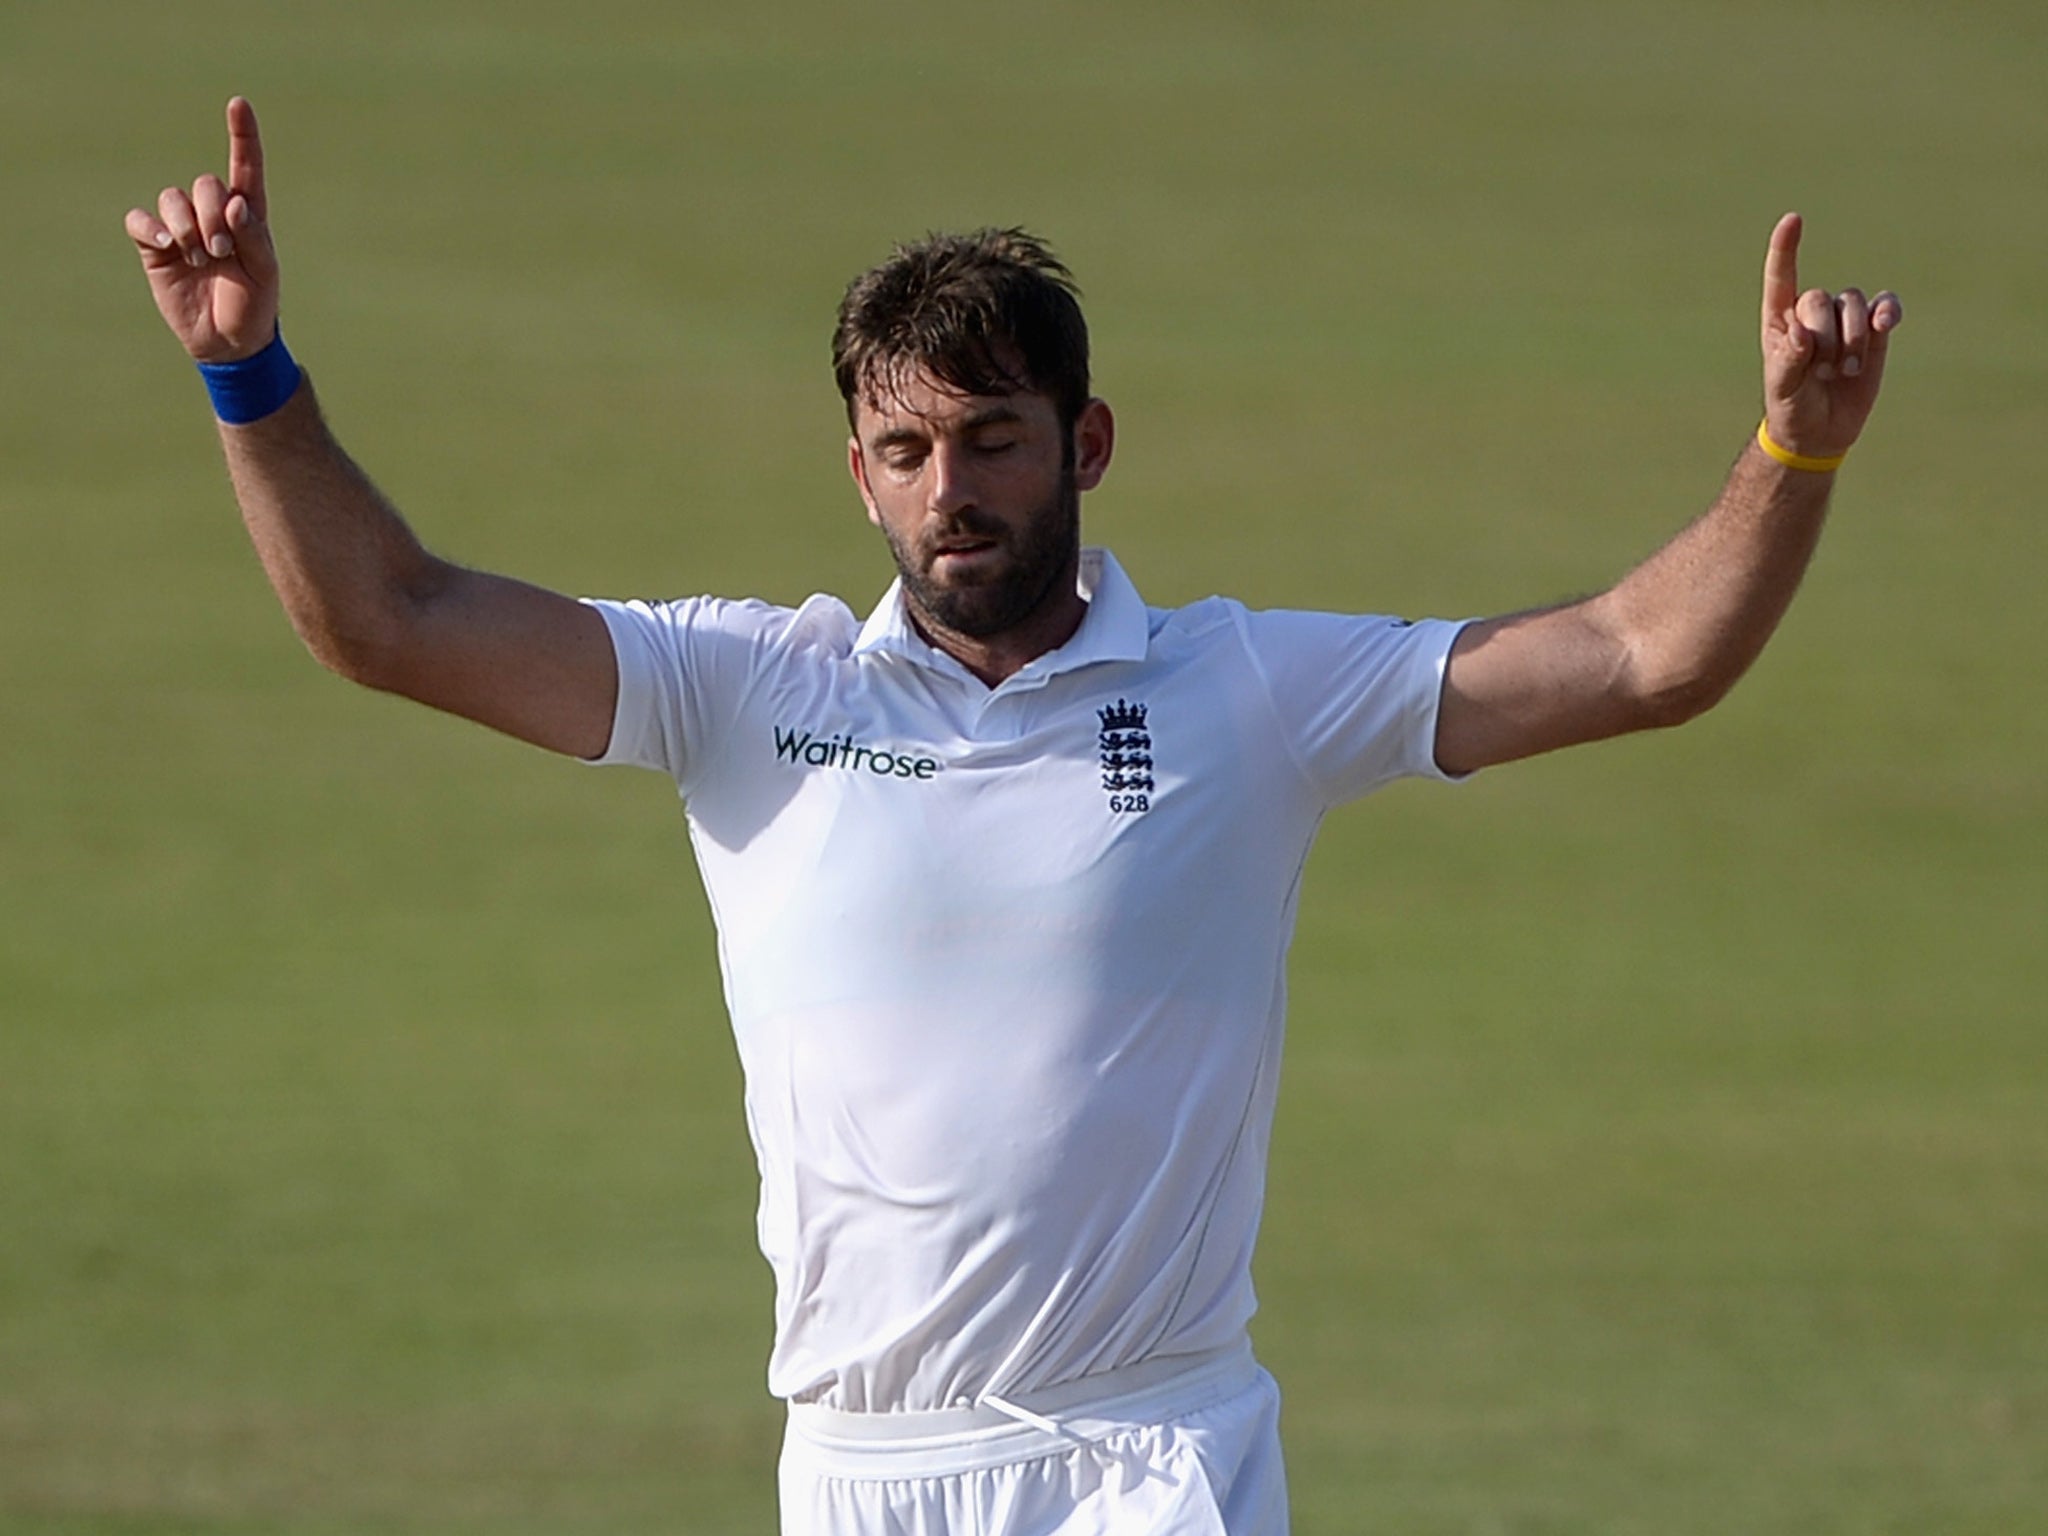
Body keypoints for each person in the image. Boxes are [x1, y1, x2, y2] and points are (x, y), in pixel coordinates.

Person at [128, 98, 1901, 1536]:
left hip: (1151, 1461)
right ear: (856, 475)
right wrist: (245, 373)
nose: (950, 493)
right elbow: (393, 620)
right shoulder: (746, 690)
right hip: (859, 1472)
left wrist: (1791, 453)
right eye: (905, 453)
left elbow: (1641, 654)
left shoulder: (1245, 693)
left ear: (1087, 439)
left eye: (991, 438)